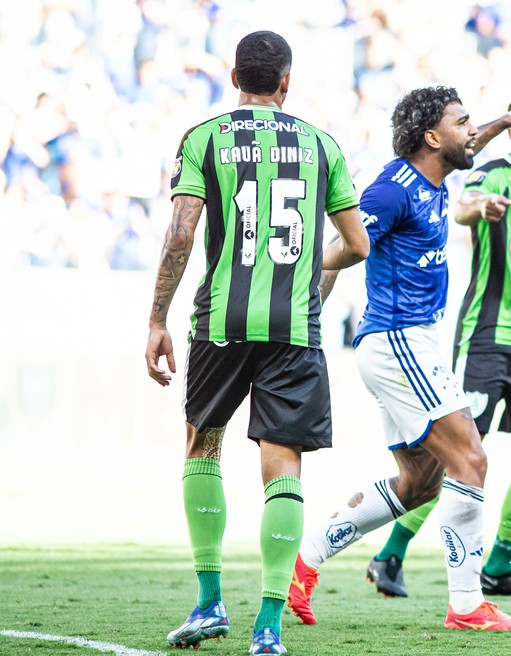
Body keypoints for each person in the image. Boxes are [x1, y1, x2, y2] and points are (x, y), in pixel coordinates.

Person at [285, 86, 511, 632]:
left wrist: (508, 118)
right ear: (432, 137)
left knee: (420, 483)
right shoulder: (392, 190)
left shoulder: (435, 174)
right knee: (471, 460)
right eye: (462, 123)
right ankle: (467, 604)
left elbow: (471, 143)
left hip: (409, 342)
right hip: (397, 339)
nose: (472, 131)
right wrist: (306, 311)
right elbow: (341, 247)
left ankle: (305, 563)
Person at [144, 30, 369, 655]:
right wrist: (307, 275)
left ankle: (209, 603)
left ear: (234, 77)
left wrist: (157, 319)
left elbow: (181, 235)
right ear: (286, 81)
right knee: (283, 466)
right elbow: (356, 245)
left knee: (203, 445)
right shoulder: (322, 145)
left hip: (222, 320)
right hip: (293, 327)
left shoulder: (204, 138)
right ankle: (268, 626)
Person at [365, 91, 511, 600]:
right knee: (456, 453)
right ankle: (391, 553)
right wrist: (481, 208)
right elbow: (462, 205)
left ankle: (500, 565)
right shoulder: (491, 174)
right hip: (486, 337)